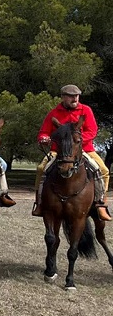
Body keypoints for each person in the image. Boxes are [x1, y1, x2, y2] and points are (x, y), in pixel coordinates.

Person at [32, 84, 110, 221]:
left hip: (84, 149)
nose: (74, 98)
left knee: (103, 170)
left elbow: (92, 131)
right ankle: (39, 203)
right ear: (63, 97)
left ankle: (100, 204)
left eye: (77, 96)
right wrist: (44, 139)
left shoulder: (86, 110)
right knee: (41, 169)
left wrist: (75, 142)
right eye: (71, 96)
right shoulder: (53, 113)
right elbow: (44, 132)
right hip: (58, 151)